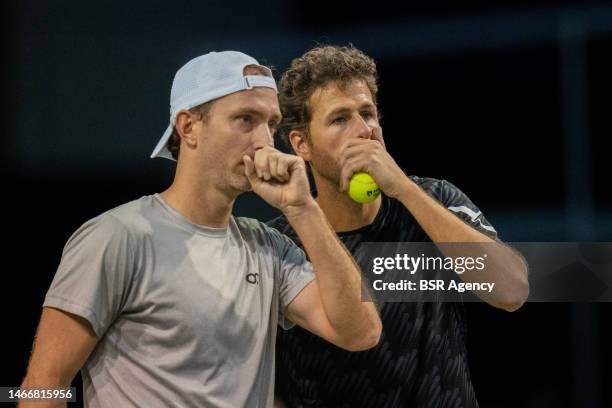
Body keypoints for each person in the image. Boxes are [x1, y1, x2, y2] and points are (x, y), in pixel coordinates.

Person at [19, 51, 382, 408]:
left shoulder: (269, 246)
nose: (264, 141)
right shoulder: (118, 236)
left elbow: (361, 332)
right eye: (245, 119)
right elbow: (42, 384)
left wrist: (303, 209)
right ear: (188, 127)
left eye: (271, 124)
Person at [270, 45, 529, 407]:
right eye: (339, 119)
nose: (364, 131)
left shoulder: (434, 197)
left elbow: (511, 290)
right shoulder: (279, 242)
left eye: (368, 114)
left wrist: (405, 190)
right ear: (301, 144)